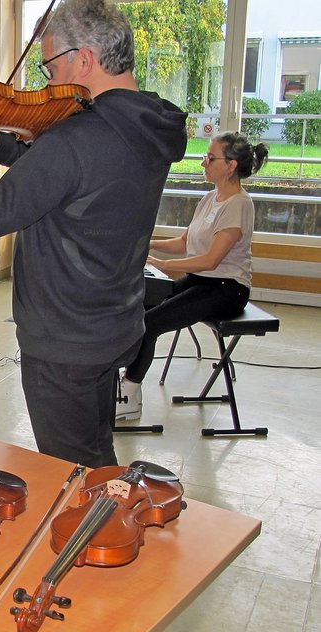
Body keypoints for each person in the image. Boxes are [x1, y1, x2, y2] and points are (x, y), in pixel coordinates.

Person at [0, 0, 188, 468]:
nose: (48, 81)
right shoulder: (146, 125)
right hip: (114, 322)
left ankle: (103, 518)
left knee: (71, 471)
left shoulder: (75, 138)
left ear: (84, 59)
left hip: (65, 339)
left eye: (51, 66)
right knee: (94, 451)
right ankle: (110, 507)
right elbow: (76, 181)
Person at [116, 132, 269, 420]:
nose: (203, 163)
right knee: (141, 306)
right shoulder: (210, 198)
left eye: (210, 158)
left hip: (226, 289)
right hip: (202, 282)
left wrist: (163, 264)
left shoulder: (238, 204)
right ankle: (126, 382)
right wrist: (145, 244)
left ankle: (130, 396)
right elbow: (184, 243)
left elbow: (211, 260)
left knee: (150, 324)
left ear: (231, 165)